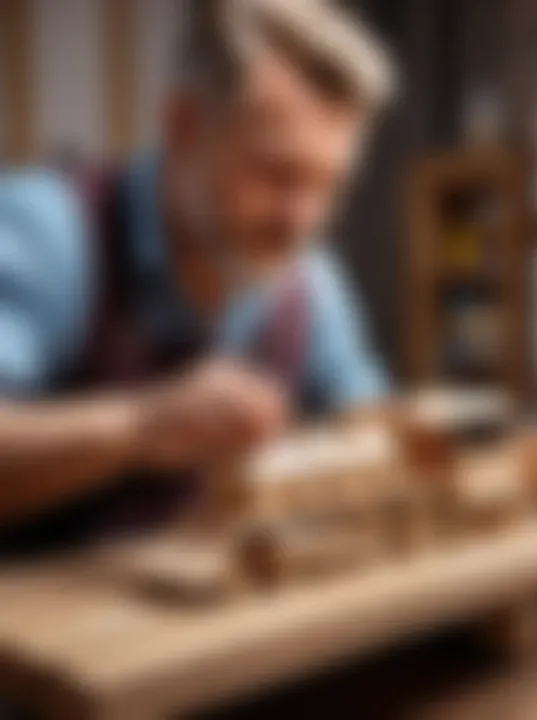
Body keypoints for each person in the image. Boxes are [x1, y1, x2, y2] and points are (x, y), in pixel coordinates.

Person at [0, 0, 396, 550]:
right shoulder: (49, 233)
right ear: (185, 126)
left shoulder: (308, 280)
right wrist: (139, 426)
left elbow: (368, 417)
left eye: (329, 186)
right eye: (275, 175)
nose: (301, 221)